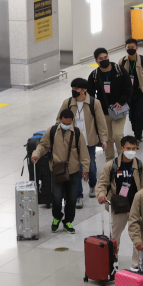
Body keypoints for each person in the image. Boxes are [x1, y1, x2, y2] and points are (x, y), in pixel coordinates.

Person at [31, 109, 90, 234]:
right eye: (64, 123)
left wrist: (85, 169)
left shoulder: (77, 133)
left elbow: (84, 153)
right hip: (57, 170)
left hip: (73, 171)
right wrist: (36, 154)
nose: (66, 126)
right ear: (60, 120)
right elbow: (43, 145)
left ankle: (68, 221)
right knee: (56, 198)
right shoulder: (52, 131)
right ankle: (57, 217)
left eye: (69, 124)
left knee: (72, 199)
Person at [95, 136, 143, 269]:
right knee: (115, 237)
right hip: (118, 207)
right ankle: (112, 264)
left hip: (136, 207)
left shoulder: (141, 166)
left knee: (138, 238)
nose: (131, 151)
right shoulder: (111, 165)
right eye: (128, 148)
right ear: (122, 148)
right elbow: (102, 183)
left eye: (134, 148)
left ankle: (137, 266)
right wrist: (101, 195)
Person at [56, 78, 108, 209]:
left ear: (84, 90)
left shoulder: (94, 103)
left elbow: (101, 122)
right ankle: (78, 196)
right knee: (76, 169)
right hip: (73, 142)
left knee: (90, 167)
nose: (74, 91)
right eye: (72, 88)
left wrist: (104, 139)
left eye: (76, 88)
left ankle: (92, 185)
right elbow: (58, 119)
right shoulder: (67, 103)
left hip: (89, 141)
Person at [87, 47, 133, 162]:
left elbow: (128, 88)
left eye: (106, 57)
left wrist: (121, 101)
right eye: (101, 59)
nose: (104, 60)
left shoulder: (119, 70)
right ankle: (110, 160)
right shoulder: (94, 76)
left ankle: (122, 158)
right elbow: (90, 95)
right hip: (103, 112)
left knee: (117, 135)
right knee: (106, 138)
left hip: (119, 110)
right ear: (96, 61)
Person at [119, 39, 143, 144]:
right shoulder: (122, 61)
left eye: (132, 47)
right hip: (128, 94)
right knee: (131, 116)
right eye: (128, 47)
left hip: (140, 93)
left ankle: (138, 135)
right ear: (126, 48)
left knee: (139, 115)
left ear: (136, 47)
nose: (130, 49)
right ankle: (136, 131)